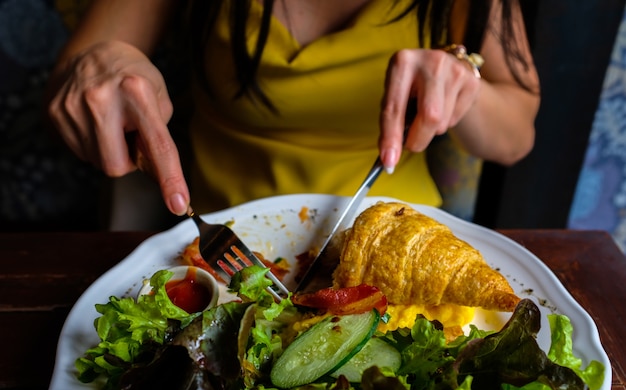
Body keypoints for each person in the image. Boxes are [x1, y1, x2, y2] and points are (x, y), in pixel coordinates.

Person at [46, 0, 540, 220]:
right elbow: (76, 69)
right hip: (222, 244)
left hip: (398, 228)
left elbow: (517, 135)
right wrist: (98, 66)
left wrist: (463, 82)